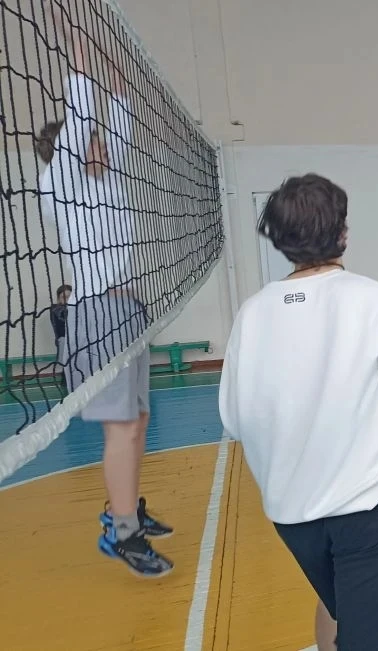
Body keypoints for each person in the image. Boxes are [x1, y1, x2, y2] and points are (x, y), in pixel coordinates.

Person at [219, 173, 378, 651]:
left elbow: (235, 419)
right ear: (342, 232)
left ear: (280, 240)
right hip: (371, 506)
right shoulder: (374, 299)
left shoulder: (252, 313)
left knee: (340, 605)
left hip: (293, 516)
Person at [36, 16, 173, 577]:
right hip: (96, 315)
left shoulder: (107, 181)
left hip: (127, 311)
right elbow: (80, 119)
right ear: (68, 152)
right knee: (121, 427)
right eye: (90, 141)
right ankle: (123, 534)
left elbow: (117, 122)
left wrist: (115, 69)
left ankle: (126, 506)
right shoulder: (61, 186)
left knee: (137, 419)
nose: (101, 146)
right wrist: (80, 54)